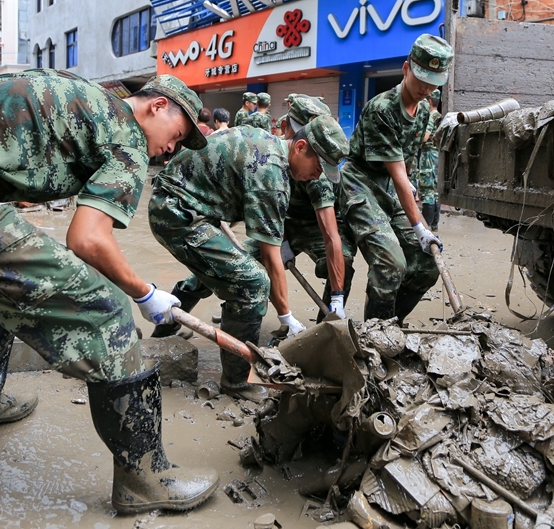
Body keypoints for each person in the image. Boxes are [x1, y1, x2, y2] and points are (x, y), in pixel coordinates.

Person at [0, 70, 219, 514]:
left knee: (1, 291)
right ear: (156, 106)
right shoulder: (126, 138)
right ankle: (145, 479)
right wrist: (145, 293)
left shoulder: (68, 84)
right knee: (107, 312)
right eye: (177, 135)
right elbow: (87, 240)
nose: (170, 150)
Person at [148, 114, 349, 403]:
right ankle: (237, 381)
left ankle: (164, 331)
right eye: (318, 167)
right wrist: (287, 318)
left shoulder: (270, 147)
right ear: (300, 147)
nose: (317, 176)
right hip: (176, 212)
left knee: (222, 270)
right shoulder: (271, 174)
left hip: (191, 205)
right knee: (252, 283)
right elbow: (270, 256)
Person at [338, 34, 453, 322]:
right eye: (421, 79)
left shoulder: (426, 110)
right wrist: (420, 227)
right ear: (406, 69)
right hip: (360, 184)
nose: (426, 89)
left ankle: (389, 321)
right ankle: (374, 334)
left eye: (433, 83)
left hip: (392, 185)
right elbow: (399, 174)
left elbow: (406, 167)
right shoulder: (382, 109)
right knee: (391, 263)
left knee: (427, 264)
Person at [278, 95, 355, 324]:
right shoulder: (270, 156)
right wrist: (280, 241)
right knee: (239, 263)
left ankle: (325, 325)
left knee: (343, 261)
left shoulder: (317, 171)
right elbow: (259, 211)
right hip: (283, 224)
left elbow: (331, 236)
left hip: (313, 226)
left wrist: (337, 297)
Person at [416, 89, 442, 230]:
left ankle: (427, 225)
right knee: (436, 191)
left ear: (429, 101)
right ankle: (435, 224)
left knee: (427, 191)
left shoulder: (431, 116)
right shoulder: (440, 116)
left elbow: (425, 137)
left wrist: (416, 137)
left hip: (428, 157)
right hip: (438, 156)